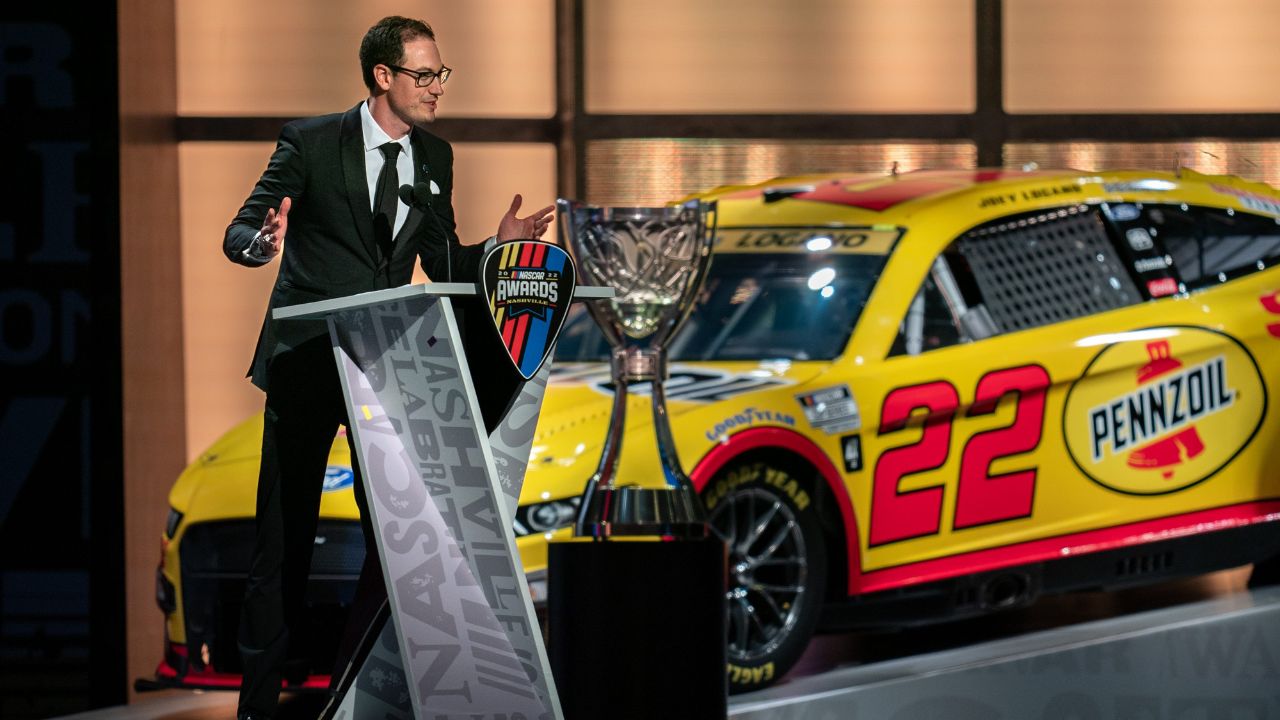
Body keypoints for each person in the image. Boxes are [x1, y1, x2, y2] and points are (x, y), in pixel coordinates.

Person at [223, 16, 552, 720]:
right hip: (309, 362)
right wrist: (262, 241)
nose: (437, 88)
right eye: (424, 75)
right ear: (383, 77)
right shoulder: (310, 142)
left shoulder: (434, 156)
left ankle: (364, 694)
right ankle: (257, 706)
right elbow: (240, 231)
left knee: (400, 546)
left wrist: (497, 251)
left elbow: (444, 263)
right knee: (281, 547)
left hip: (387, 367)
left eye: (441, 74)